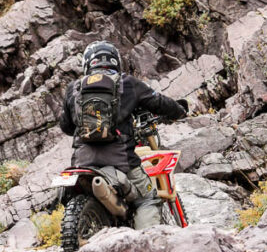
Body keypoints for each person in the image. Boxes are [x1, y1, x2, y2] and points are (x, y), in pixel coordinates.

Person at [58, 41, 187, 229]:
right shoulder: (127, 83)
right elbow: (159, 102)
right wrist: (180, 111)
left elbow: (66, 127)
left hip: (81, 162)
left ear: (87, 64)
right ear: (116, 62)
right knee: (148, 198)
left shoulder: (74, 88)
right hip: (121, 162)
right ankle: (148, 244)